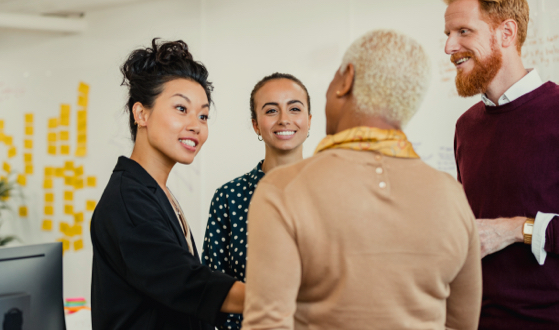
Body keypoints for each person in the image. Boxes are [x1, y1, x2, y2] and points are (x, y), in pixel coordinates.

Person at [242, 29, 482, 330]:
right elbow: (462, 324)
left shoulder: (282, 189)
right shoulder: (452, 196)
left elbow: (267, 325)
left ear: (346, 80)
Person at [90, 38, 244, 329]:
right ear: (141, 114)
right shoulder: (128, 203)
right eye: (181, 109)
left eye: (203, 115)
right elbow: (186, 282)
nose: (196, 125)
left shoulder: (154, 191)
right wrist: (285, 297)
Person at [444, 0, 559, 327]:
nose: (449, 46)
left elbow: (498, 231)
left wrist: (516, 229)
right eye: (448, 33)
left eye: (463, 31)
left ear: (506, 33)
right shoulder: (465, 127)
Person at [202, 72, 312, 330]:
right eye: (271, 111)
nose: (284, 119)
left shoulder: (333, 191)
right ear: (256, 125)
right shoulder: (229, 198)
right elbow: (212, 290)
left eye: (294, 108)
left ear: (309, 120)